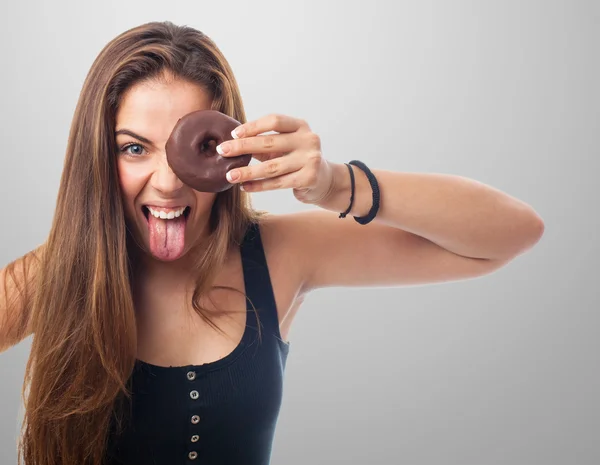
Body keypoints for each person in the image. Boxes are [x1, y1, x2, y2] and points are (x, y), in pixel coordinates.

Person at [0, 21, 544, 465]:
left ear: (228, 152)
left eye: (188, 148)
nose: (167, 182)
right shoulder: (55, 276)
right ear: (97, 156)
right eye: (134, 149)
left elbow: (511, 234)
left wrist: (335, 184)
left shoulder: (279, 254)